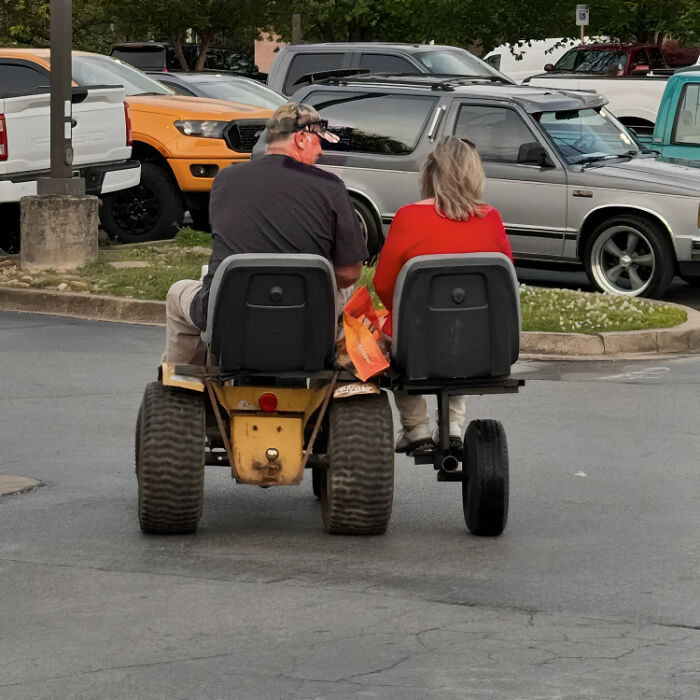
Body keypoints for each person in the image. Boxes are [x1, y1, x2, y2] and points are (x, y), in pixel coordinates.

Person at [163, 102, 368, 365]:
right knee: (346, 288)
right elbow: (350, 271)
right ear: (302, 138)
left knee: (178, 292)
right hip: (306, 326)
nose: (321, 150)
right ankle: (337, 374)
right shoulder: (331, 187)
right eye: (318, 140)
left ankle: (182, 387)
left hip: (228, 321)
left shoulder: (225, 179)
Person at [373, 135, 514, 454]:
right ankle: (453, 426)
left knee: (392, 340)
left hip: (417, 342)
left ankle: (416, 427)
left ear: (430, 172)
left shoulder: (409, 216)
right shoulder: (491, 218)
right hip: (479, 343)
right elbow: (503, 281)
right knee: (463, 327)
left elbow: (384, 284)